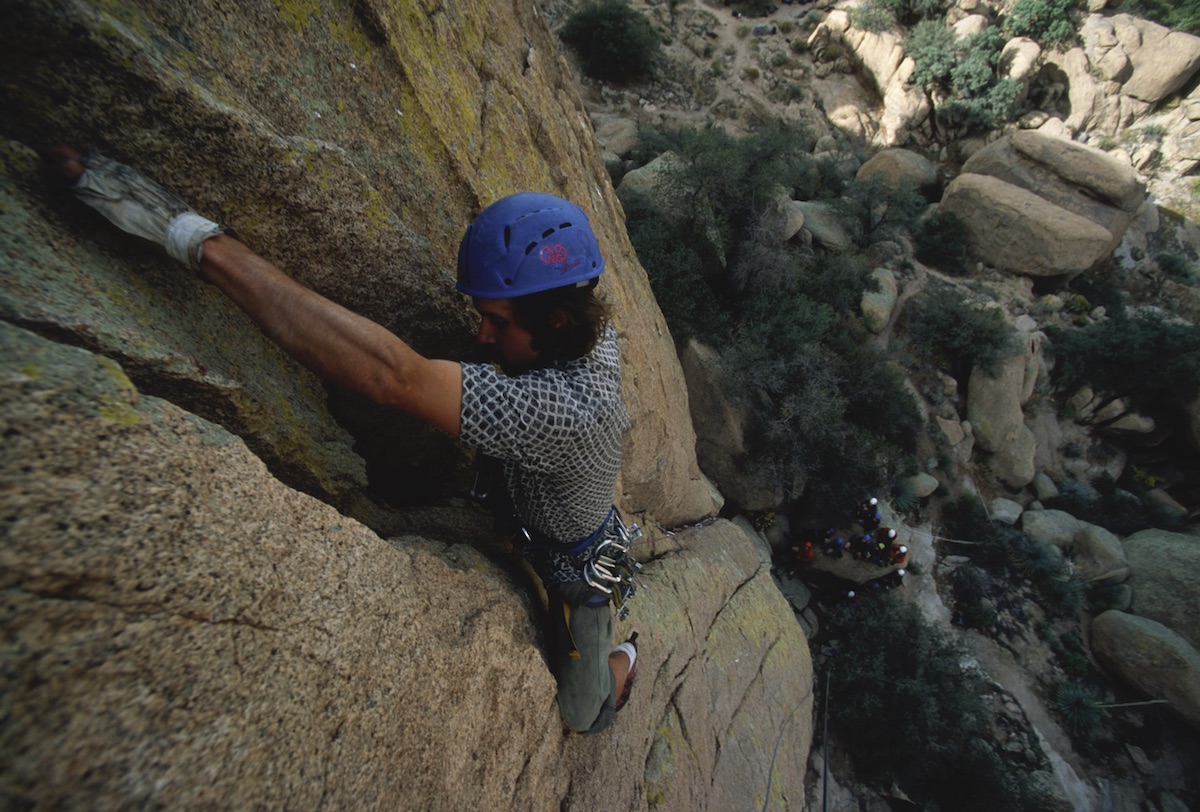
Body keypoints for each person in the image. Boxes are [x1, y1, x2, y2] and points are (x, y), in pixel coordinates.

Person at [47, 146, 638, 735]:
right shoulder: (588, 327)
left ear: (558, 320)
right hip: (533, 506)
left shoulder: (569, 413)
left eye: (499, 322)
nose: (481, 335)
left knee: (582, 715)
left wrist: (186, 235)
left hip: (573, 567)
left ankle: (624, 659)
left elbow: (390, 376)